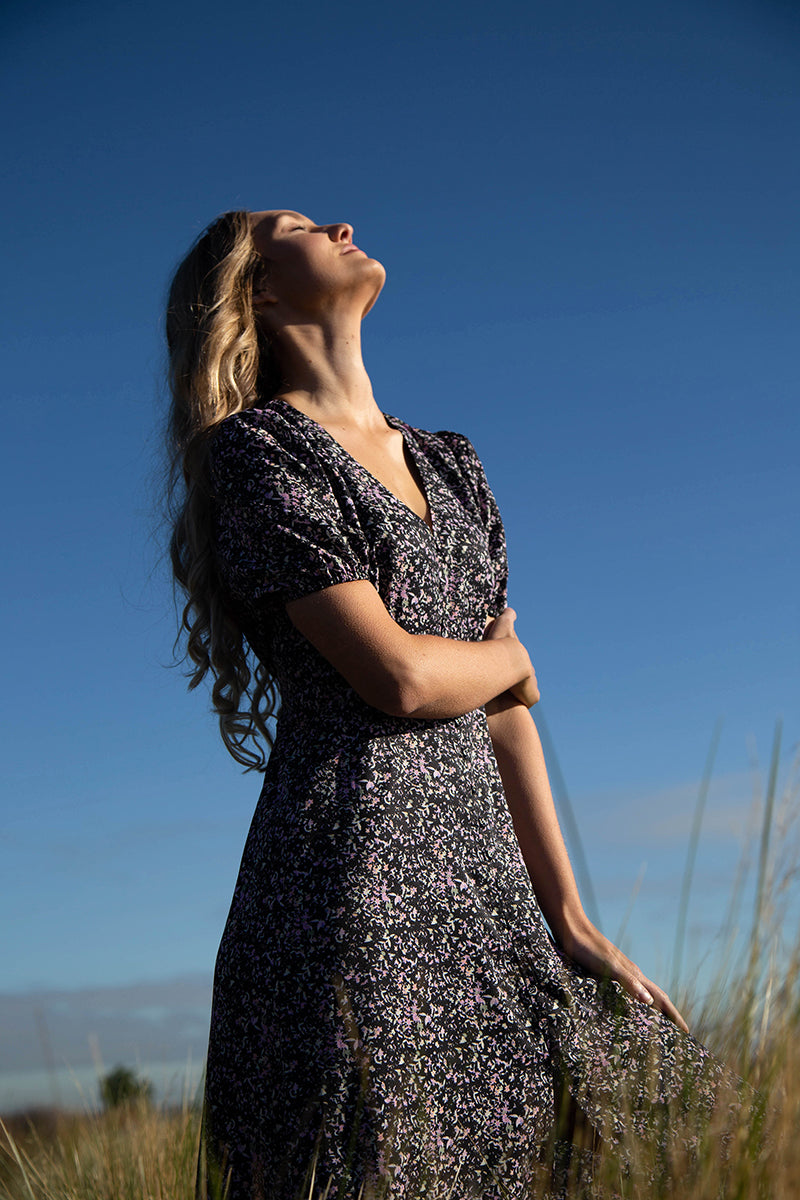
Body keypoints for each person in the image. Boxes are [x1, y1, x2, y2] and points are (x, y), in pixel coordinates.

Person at [165, 211, 737, 1200]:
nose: (342, 223)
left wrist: (569, 916)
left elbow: (507, 709)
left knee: (654, 1126)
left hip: (489, 887)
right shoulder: (260, 453)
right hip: (350, 882)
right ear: (256, 291)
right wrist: (504, 653)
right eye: (300, 227)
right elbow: (399, 678)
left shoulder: (452, 463)